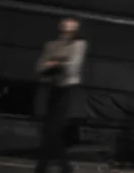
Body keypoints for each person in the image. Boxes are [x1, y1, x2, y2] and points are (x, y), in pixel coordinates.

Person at [35, 17, 88, 173]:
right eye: (65, 29)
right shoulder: (52, 45)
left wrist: (55, 64)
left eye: (71, 30)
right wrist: (54, 65)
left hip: (66, 89)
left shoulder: (78, 45)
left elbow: (72, 67)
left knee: (54, 129)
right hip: (52, 87)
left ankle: (45, 167)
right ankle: (62, 167)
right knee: (50, 129)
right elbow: (40, 67)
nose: (67, 33)